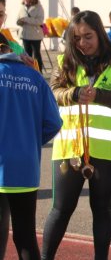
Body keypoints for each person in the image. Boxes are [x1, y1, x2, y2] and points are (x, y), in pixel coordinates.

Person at [42, 10, 111, 260]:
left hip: (106, 150)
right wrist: (73, 94)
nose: (82, 43)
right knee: (61, 209)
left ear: (100, 34)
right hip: (69, 149)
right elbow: (52, 91)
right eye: (76, 38)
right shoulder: (65, 60)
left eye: (88, 36)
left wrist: (101, 96)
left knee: (103, 208)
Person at [0, 32, 62, 260]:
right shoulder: (34, 77)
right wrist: (29, 140)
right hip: (26, 167)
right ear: (9, 50)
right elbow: (54, 122)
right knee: (25, 236)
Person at [16, 0, 45, 71]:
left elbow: (40, 21)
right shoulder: (22, 7)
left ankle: (39, 71)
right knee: (27, 55)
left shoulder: (38, 7)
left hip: (35, 35)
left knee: (36, 55)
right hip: (25, 35)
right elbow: (17, 19)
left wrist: (26, 20)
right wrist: (19, 22)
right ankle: (28, 71)